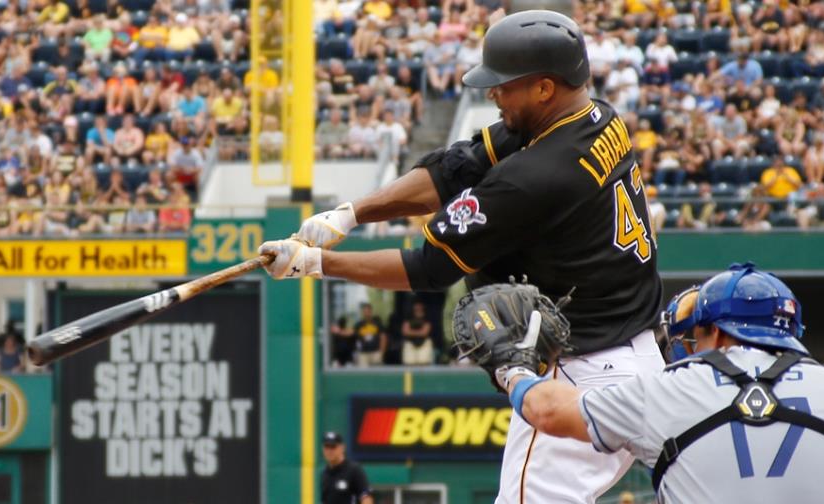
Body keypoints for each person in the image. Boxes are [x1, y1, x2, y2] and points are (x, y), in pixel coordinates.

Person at [259, 11, 665, 503]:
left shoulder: (533, 177)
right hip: (641, 360)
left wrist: (318, 263)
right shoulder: (594, 115)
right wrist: (351, 213)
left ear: (543, 88)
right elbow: (458, 168)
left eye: (503, 84)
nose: (491, 93)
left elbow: (428, 268)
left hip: (581, 375)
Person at [486, 264, 824, 503]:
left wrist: (514, 369)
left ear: (718, 335)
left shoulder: (671, 390)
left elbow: (547, 411)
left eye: (697, 335)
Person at [320, 431, 373, 504]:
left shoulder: (354, 470)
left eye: (333, 447)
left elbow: (366, 498)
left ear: (342, 448)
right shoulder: (325, 473)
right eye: (326, 447)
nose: (329, 451)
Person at [401, 300, 433, 365]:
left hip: (424, 344)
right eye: (416, 305)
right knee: (409, 364)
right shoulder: (408, 317)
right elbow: (405, 331)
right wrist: (419, 332)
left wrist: (411, 332)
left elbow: (425, 332)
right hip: (410, 344)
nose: (418, 307)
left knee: (424, 363)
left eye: (420, 305)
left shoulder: (427, 317)